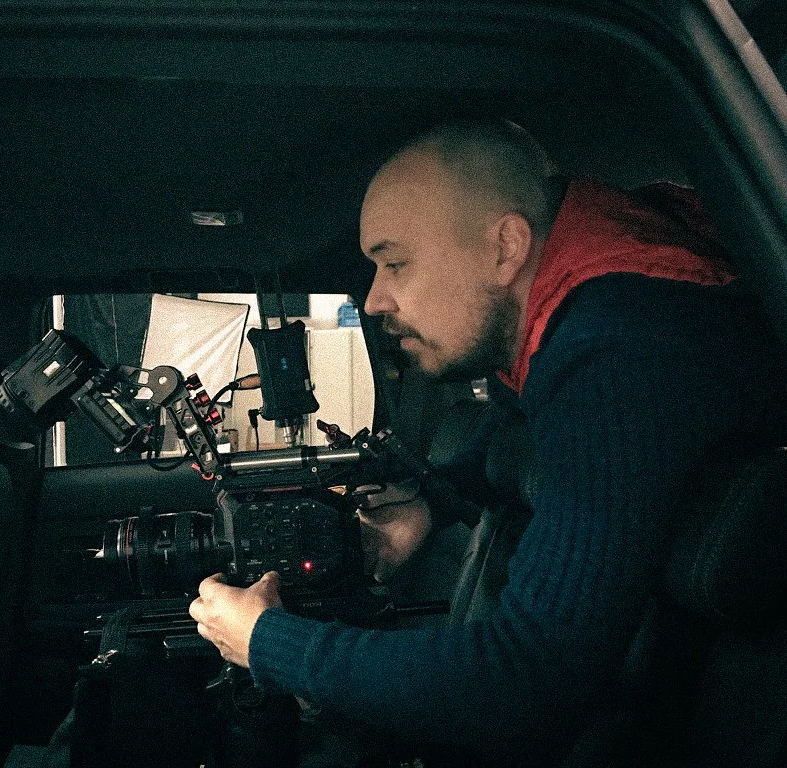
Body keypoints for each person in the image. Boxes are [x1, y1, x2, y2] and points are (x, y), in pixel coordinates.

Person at [188, 118, 787, 765]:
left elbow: (525, 681)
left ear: (505, 247)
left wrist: (266, 642)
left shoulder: (618, 354)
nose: (376, 298)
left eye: (395, 262)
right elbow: (511, 454)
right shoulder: (557, 332)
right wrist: (429, 502)